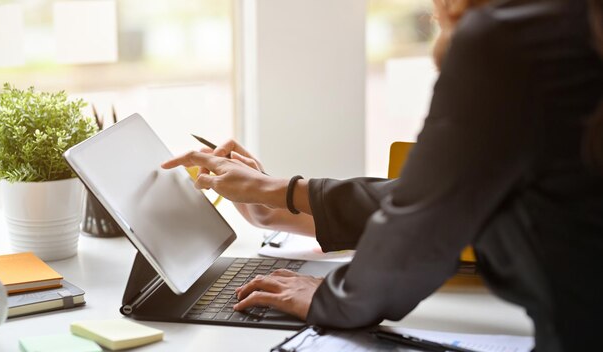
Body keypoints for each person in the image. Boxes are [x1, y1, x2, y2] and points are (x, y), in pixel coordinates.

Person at [162, 0, 603, 350]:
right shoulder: (566, 24)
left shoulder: (509, 39)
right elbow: (439, 191)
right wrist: (283, 198)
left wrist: (332, 297)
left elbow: (429, 221)